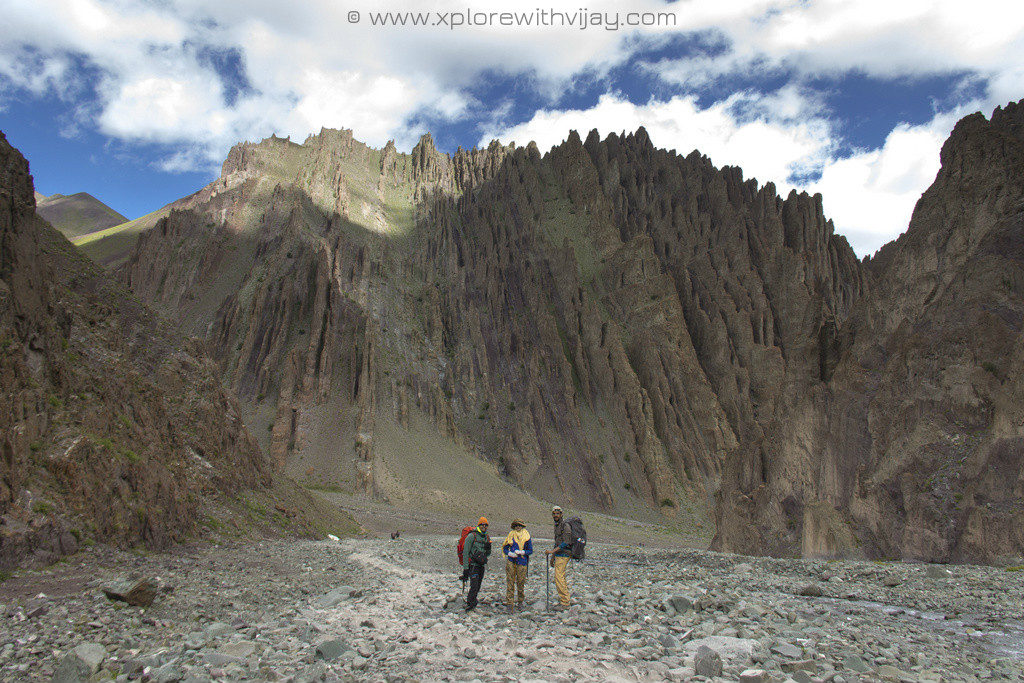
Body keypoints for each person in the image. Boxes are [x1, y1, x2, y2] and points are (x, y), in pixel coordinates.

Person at [460, 517, 491, 611]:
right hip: (473, 565)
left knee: (478, 585)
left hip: (481, 565)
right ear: (479, 525)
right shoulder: (471, 536)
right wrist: (466, 568)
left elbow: (488, 554)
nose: (484, 527)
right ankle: (470, 602)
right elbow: (465, 552)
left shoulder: (486, 537)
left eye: (486, 525)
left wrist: (488, 548)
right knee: (474, 585)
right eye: (482, 525)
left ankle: (472, 601)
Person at [501, 519, 532, 610]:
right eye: (516, 525)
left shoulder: (527, 536)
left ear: (522, 526)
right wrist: (509, 553)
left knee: (521, 582)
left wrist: (522, 552)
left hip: (522, 562)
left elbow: (530, 550)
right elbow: (505, 548)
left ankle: (520, 602)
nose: (518, 527)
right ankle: (510, 603)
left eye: (519, 525)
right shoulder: (511, 535)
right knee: (510, 581)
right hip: (511, 561)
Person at [545, 505, 572, 609]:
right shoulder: (557, 525)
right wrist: (553, 556)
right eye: (554, 514)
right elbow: (557, 542)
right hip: (559, 554)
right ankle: (565, 599)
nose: (555, 515)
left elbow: (566, 542)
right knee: (560, 577)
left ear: (561, 514)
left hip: (564, 554)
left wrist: (552, 552)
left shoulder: (565, 525)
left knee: (559, 577)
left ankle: (565, 602)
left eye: (557, 514)